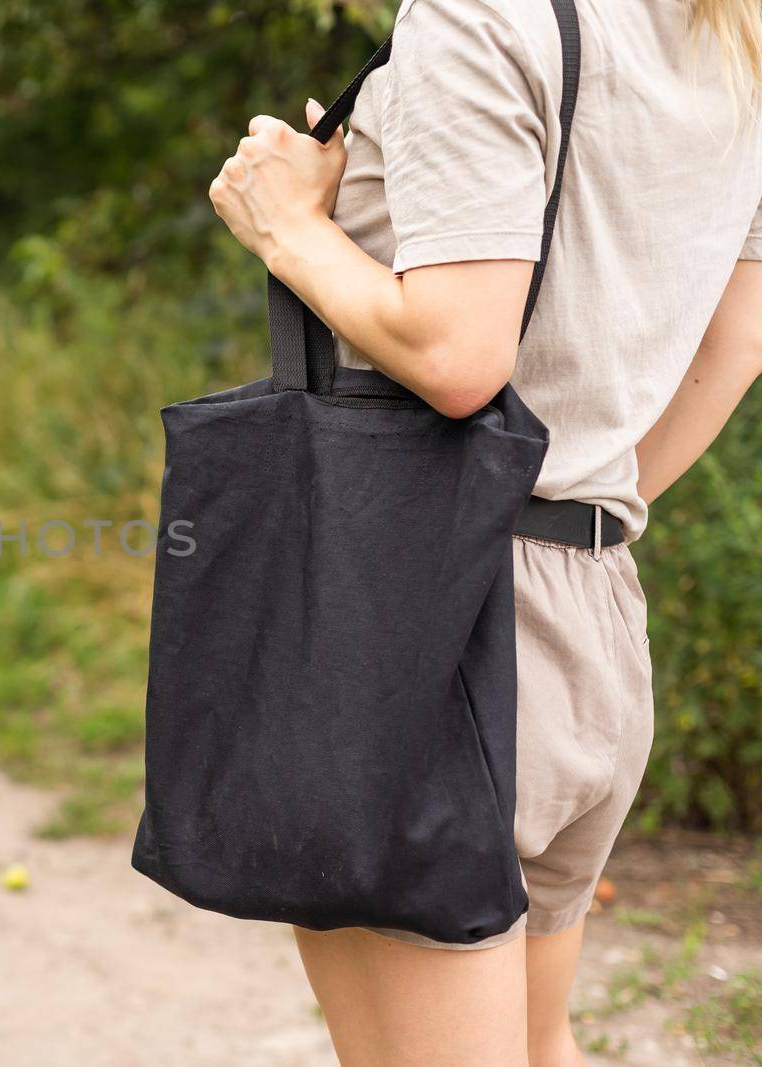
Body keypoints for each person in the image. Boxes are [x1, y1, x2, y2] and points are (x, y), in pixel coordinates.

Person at [205, 0, 762, 1063]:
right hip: (592, 606)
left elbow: (459, 357)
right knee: (538, 1042)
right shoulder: (727, 36)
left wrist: (288, 227)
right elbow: (737, 345)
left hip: (427, 617)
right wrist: (568, 502)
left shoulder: (480, 15)